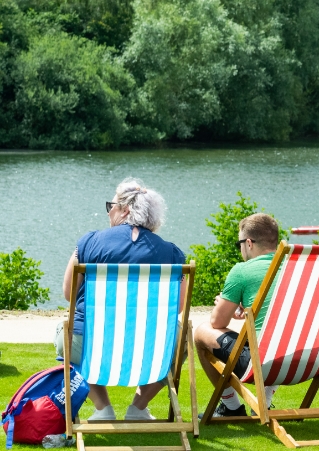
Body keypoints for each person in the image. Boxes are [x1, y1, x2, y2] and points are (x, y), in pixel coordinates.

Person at [57, 178, 185, 421]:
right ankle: (138, 408)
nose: (109, 212)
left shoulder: (89, 243)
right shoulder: (172, 253)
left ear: (125, 209)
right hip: (150, 348)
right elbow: (178, 308)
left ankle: (103, 409)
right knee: (180, 338)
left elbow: (68, 293)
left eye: (111, 206)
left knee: (65, 334)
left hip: (92, 344)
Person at [194, 213, 282, 417]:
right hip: (306, 361)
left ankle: (231, 406)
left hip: (263, 364)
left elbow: (218, 322)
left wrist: (229, 310)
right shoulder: (296, 267)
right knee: (276, 339)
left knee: (201, 333)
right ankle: (264, 401)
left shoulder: (242, 271)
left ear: (249, 243)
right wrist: (250, 311)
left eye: (239, 243)